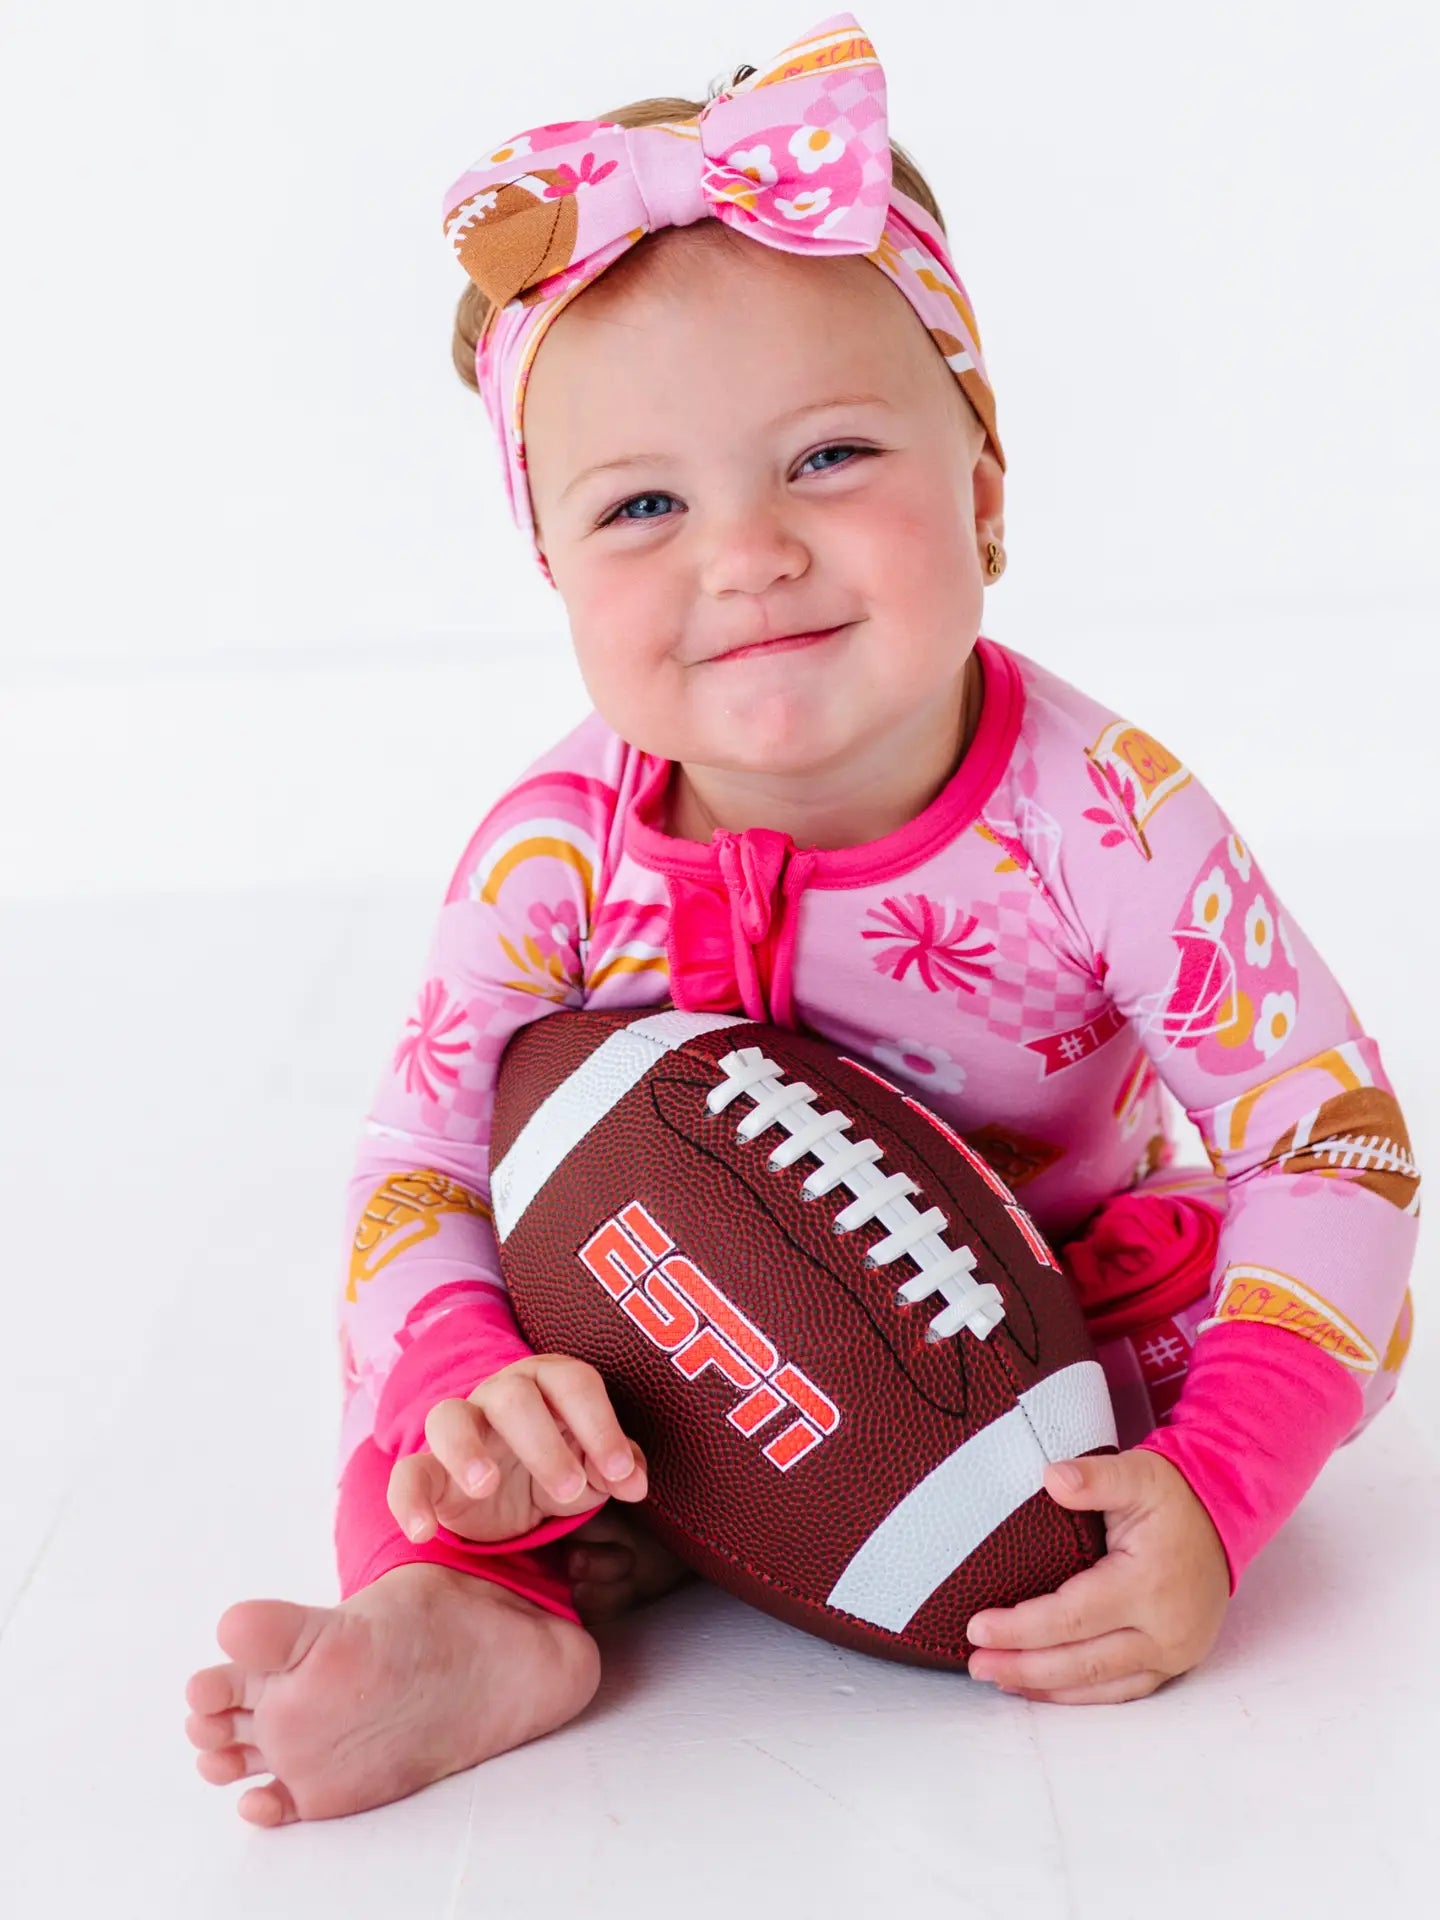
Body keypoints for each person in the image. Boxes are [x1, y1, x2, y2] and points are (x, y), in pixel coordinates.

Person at [182, 11, 1420, 1826]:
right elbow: (416, 1157)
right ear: (553, 573)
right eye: (646, 504)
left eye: (830, 459)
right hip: (646, 1327)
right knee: (429, 1388)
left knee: (1237, 1327)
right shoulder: (552, 850)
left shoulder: (1104, 821)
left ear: (984, 492)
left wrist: (1223, 1484)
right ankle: (482, 1608)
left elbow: (1337, 1143)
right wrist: (468, 1384)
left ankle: (773, 1540)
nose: (742, 552)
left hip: (1044, 1327)